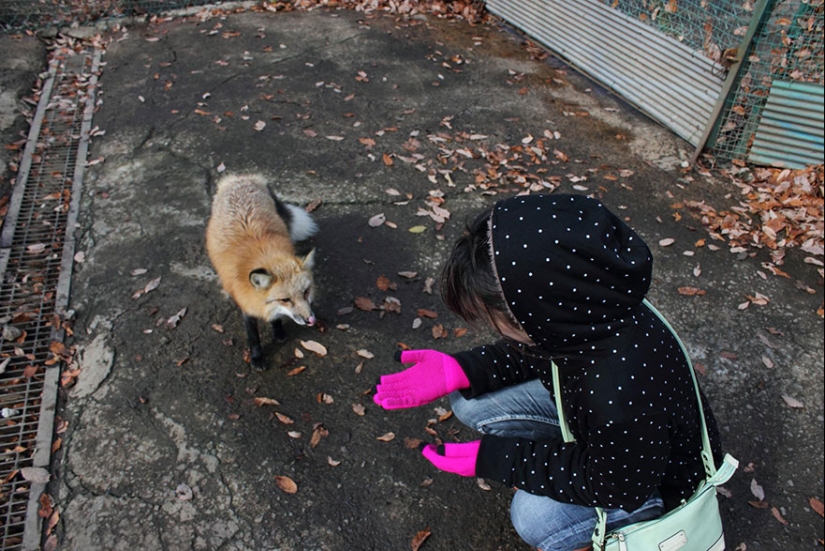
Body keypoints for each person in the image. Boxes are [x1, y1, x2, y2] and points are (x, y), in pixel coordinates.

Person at [373, 194, 723, 551]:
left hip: (646, 482)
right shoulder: (591, 302)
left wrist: (506, 460)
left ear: (537, 314)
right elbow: (534, 352)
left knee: (535, 516)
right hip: (610, 433)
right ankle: (558, 466)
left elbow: (615, 485)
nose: (492, 330)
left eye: (494, 319)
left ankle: (608, 533)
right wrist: (465, 368)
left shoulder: (617, 391)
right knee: (470, 401)